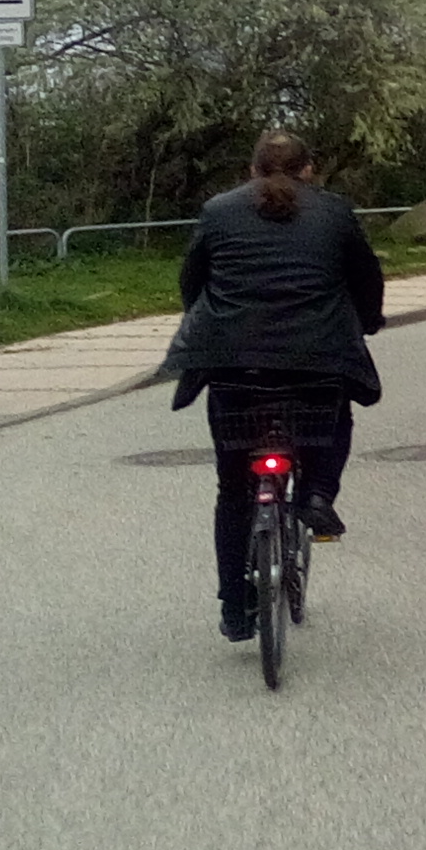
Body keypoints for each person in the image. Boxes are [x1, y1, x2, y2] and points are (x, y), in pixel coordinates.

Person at [160, 130, 385, 643]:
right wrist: (367, 321)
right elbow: (366, 279)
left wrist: (207, 319)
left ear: (252, 169)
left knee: (232, 488)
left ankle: (235, 608)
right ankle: (317, 493)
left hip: (232, 363)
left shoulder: (218, 211)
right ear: (309, 169)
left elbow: (192, 281)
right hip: (316, 358)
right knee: (334, 418)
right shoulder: (335, 212)